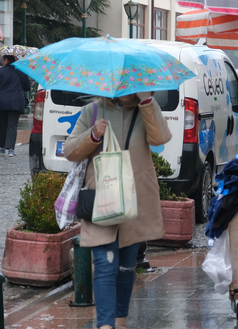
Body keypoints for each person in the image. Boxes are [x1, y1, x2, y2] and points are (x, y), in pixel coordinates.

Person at [64, 92, 171, 329]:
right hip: (101, 199)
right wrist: (92, 135)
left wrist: (146, 102)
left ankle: (120, 321)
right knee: (105, 264)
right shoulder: (91, 111)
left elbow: (160, 138)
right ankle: (105, 325)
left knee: (126, 266)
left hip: (134, 202)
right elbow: (70, 151)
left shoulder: (146, 110)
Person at [0, 55, 30, 156]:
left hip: (1, 101)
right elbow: (27, 87)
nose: (2, 62)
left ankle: (2, 147)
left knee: (3, 124)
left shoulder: (0, 71)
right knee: (12, 125)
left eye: (3, 60)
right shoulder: (21, 71)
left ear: (6, 60)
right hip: (16, 101)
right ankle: (11, 149)